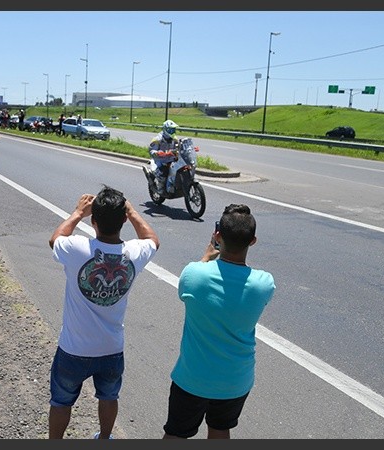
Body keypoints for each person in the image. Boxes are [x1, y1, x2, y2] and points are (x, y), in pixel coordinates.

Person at [47, 186, 160, 439]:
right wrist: (130, 211)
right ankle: (105, 438)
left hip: (74, 348)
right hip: (111, 347)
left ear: (93, 220)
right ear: (123, 220)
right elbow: (153, 239)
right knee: (109, 396)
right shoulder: (133, 253)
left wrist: (78, 213)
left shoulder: (77, 249)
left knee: (61, 401)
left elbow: (55, 239)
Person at [162, 203, 275, 439]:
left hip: (192, 378)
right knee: (220, 429)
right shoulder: (263, 283)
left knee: (176, 433)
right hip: (235, 381)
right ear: (252, 241)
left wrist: (206, 256)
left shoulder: (194, 273)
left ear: (217, 236)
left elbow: (186, 290)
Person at [148, 119, 181, 194]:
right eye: (170, 130)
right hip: (160, 160)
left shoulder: (174, 138)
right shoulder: (157, 139)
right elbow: (151, 151)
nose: (172, 132)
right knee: (163, 173)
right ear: (165, 129)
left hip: (171, 159)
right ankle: (160, 189)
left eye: (173, 130)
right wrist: (160, 153)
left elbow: (179, 147)